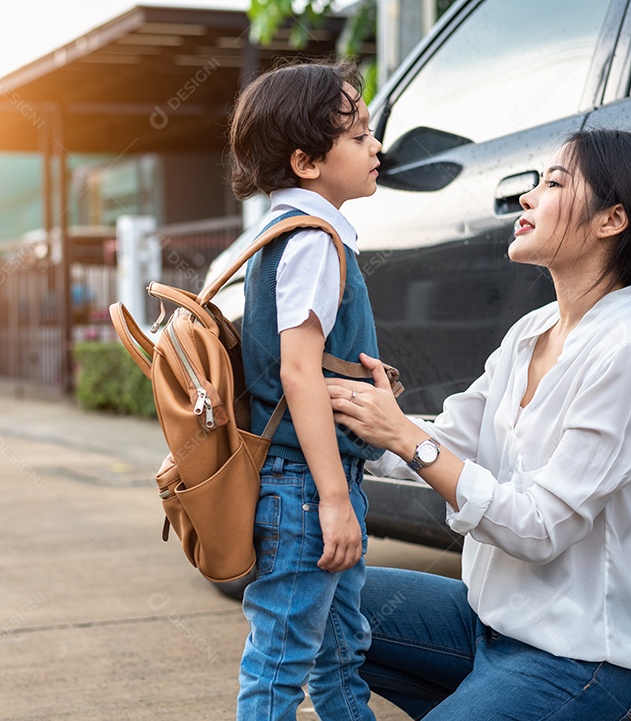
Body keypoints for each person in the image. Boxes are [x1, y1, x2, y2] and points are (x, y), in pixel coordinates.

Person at [327, 129, 631, 720]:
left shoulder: (630, 353)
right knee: (320, 606)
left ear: (612, 220)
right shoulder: (531, 332)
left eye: (554, 183)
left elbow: (538, 527)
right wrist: (345, 410)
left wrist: (405, 436)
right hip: (488, 625)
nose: (527, 198)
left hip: (579, 660)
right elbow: (444, 437)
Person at [228, 60, 384, 720]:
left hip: (310, 478)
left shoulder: (291, 235)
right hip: (303, 485)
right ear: (306, 159)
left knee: (341, 649)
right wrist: (333, 499)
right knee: (282, 661)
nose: (376, 147)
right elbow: (299, 371)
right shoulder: (313, 242)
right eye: (359, 135)